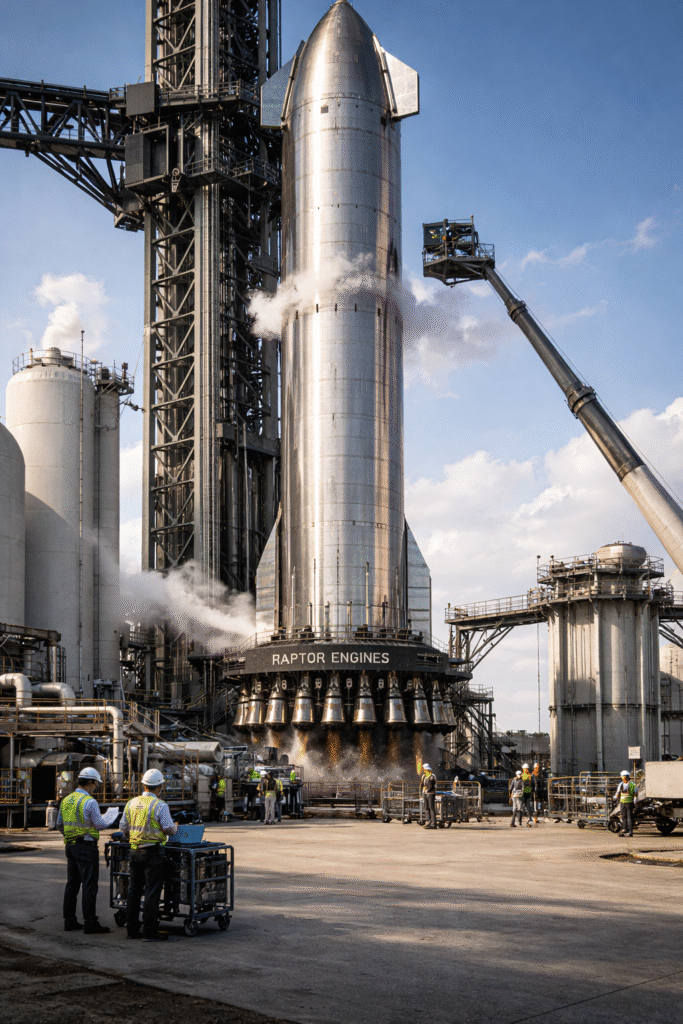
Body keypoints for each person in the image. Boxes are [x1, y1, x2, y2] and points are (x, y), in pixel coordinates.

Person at [120, 768, 178, 941]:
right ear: (159, 787)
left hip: (134, 851)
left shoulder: (131, 803)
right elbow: (168, 829)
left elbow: (123, 828)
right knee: (152, 891)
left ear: (144, 785)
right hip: (152, 852)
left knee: (134, 891)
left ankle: (131, 930)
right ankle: (149, 931)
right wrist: (175, 828)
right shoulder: (160, 805)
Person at [57, 766, 112, 934]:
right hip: (86, 847)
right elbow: (100, 824)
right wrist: (111, 818)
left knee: (72, 884)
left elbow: (59, 824)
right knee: (89, 885)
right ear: (89, 782)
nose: (95, 787)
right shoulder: (90, 802)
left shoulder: (67, 800)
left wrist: (71, 834)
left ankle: (69, 920)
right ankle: (90, 922)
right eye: (95, 783)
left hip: (71, 845)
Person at [614, 770, 637, 838]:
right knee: (628, 817)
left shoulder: (622, 784)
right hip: (628, 803)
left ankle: (626, 830)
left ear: (625, 777)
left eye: (622, 776)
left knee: (625, 817)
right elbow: (635, 794)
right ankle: (629, 831)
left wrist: (615, 798)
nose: (621, 777)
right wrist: (635, 801)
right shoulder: (632, 784)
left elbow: (618, 794)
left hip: (624, 803)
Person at [420, 763, 437, 829]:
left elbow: (432, 785)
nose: (424, 771)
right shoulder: (424, 776)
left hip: (431, 794)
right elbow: (421, 784)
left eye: (425, 769)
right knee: (426, 808)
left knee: (431, 808)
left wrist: (428, 790)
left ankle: (433, 823)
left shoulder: (432, 776)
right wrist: (421, 792)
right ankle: (429, 821)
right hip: (425, 793)